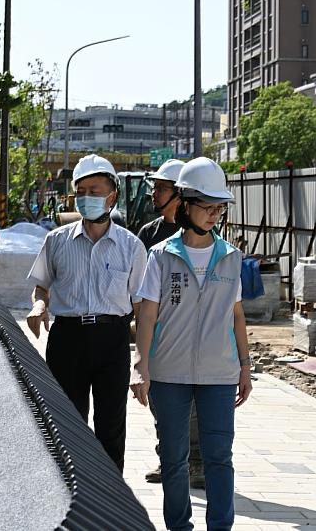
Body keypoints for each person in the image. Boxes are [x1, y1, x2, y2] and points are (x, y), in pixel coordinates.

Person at [130, 157, 253, 531]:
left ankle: (220, 526)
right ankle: (179, 526)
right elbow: (147, 315)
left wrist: (245, 366)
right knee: (173, 457)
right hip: (169, 372)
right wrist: (141, 365)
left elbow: (236, 316)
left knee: (219, 457)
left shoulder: (231, 258)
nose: (215, 214)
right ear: (185, 204)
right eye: (208, 206)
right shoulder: (161, 255)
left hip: (219, 373)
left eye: (220, 207)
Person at [26, 153, 147, 473]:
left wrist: (142, 360)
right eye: (81, 192)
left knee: (111, 427)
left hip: (112, 339)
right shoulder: (57, 241)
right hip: (68, 339)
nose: (86, 198)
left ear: (112, 196)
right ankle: (71, 495)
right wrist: (39, 305)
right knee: (67, 424)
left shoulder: (131, 247)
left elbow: (142, 307)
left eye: (95, 191)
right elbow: (42, 286)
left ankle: (111, 504)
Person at [136, 159, 206, 489]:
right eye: (155, 187)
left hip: (192, 333)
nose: (154, 193)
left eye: (162, 188)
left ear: (179, 194)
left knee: (192, 404)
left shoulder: (200, 235)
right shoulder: (149, 235)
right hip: (158, 332)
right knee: (161, 401)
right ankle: (169, 460)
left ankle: (197, 463)